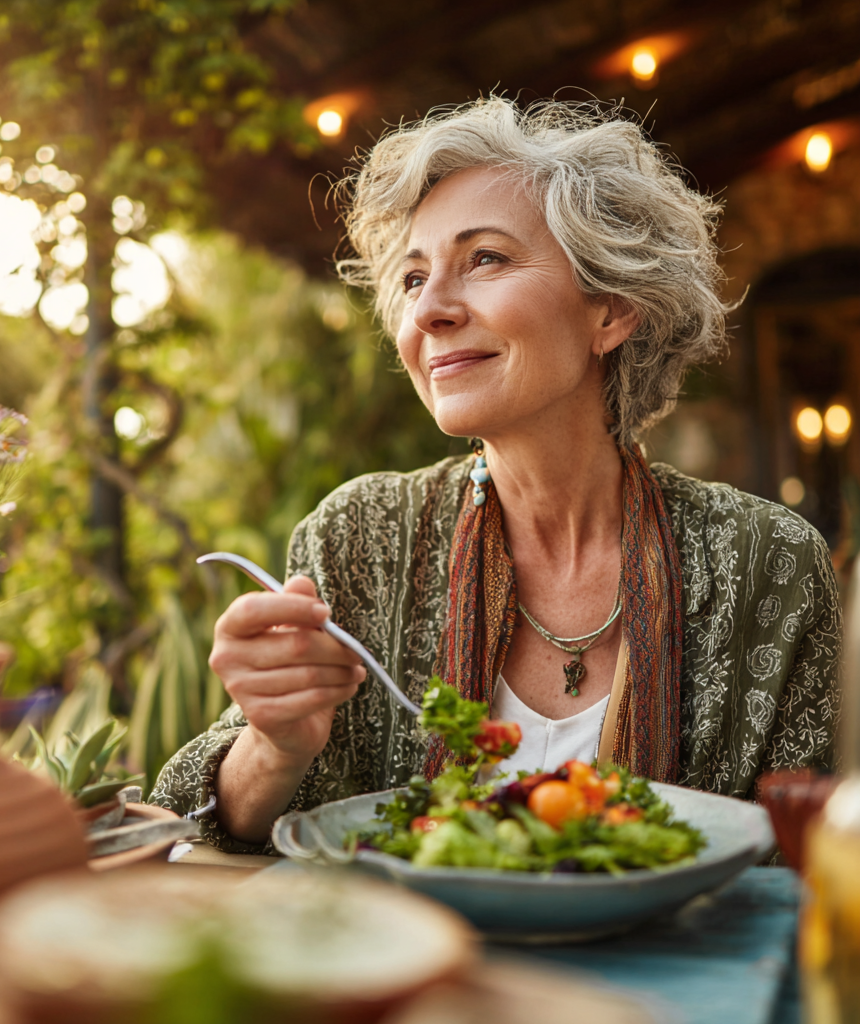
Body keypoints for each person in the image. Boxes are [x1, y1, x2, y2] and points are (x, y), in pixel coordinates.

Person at [151, 97, 840, 850]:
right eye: (414, 279)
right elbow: (212, 828)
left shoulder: (764, 558)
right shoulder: (363, 537)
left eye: (485, 258)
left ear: (609, 309)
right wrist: (275, 745)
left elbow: (806, 855)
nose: (430, 312)